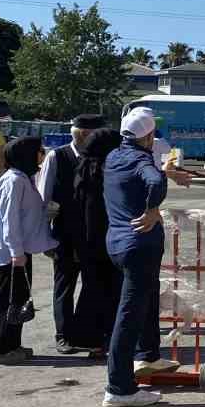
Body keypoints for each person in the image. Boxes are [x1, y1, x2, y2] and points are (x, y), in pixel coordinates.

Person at [103, 107, 176, 407]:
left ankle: (149, 356)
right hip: (139, 245)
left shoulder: (114, 157)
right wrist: (151, 209)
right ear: (147, 137)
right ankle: (119, 388)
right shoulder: (141, 159)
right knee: (129, 314)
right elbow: (155, 182)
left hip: (117, 242)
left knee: (144, 300)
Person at [0, 137, 57, 365]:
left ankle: (12, 344)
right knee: (6, 298)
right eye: (38, 152)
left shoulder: (24, 178)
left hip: (21, 250)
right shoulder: (14, 180)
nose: (42, 156)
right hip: (12, 252)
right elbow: (8, 219)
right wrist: (16, 252)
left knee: (19, 298)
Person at [37, 115, 104, 353]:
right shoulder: (58, 156)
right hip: (65, 233)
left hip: (96, 234)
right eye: (82, 132)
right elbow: (43, 200)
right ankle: (63, 335)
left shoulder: (102, 156)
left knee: (94, 285)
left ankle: (87, 335)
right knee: (64, 285)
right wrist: (44, 237)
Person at [66, 128, 122, 356]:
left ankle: (89, 338)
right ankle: (105, 338)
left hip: (85, 240)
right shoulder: (107, 172)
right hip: (106, 239)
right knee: (110, 290)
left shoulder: (82, 169)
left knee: (92, 288)